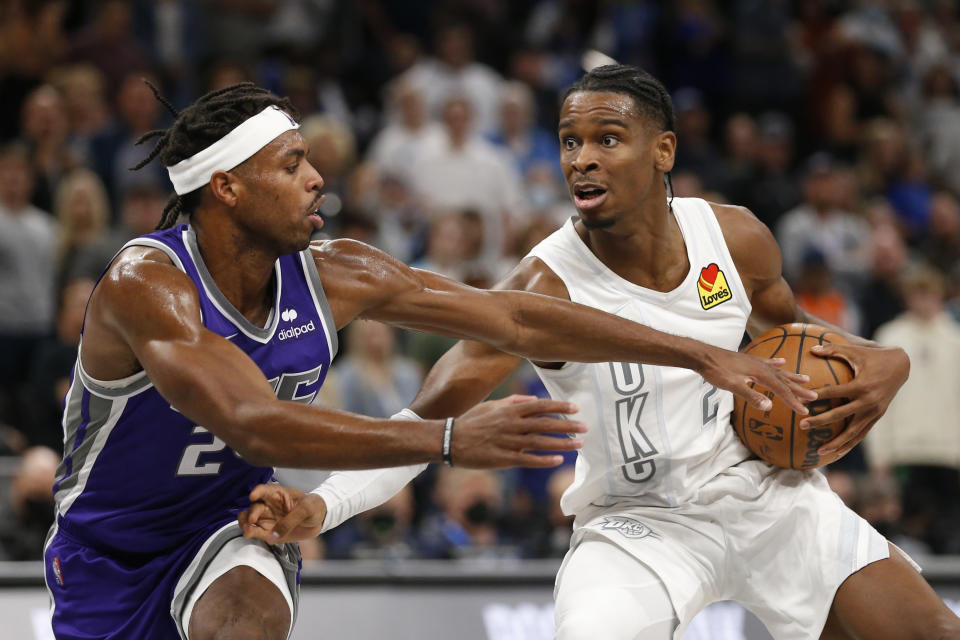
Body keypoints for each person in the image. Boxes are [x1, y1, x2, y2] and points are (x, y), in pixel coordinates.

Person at [44, 81, 810, 640]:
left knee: (244, 623)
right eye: (292, 164)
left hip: (233, 524)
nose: (317, 178)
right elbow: (255, 424)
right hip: (109, 548)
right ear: (228, 187)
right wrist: (445, 440)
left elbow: (510, 316)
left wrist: (698, 354)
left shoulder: (335, 271)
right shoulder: (148, 284)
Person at [245, 65, 960, 640]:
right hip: (638, 523)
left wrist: (889, 362)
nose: (581, 159)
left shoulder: (735, 240)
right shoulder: (543, 283)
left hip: (771, 499)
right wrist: (323, 506)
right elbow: (423, 420)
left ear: (664, 149)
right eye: (568, 141)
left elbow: (810, 342)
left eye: (606, 139)